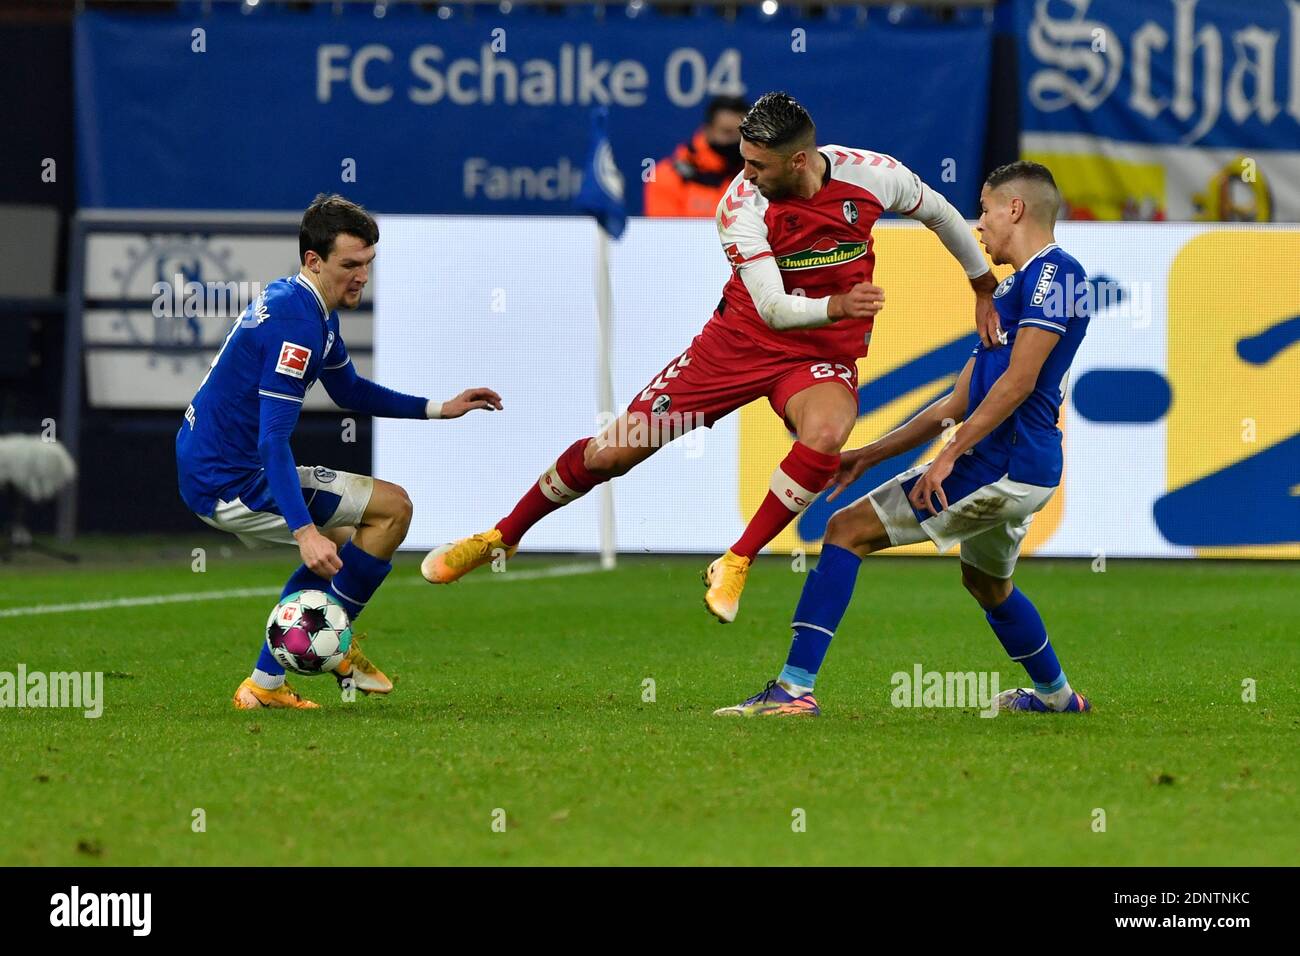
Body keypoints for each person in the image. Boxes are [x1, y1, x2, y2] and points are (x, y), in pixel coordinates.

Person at [423, 92, 997, 626]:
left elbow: (943, 213)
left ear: (799, 161)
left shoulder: (872, 176)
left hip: (818, 357)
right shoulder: (740, 206)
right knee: (612, 453)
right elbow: (772, 308)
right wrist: (839, 303)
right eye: (743, 161)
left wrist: (981, 286)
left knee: (826, 433)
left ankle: (737, 560)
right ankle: (502, 536)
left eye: (758, 165)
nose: (745, 174)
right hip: (735, 347)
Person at [714, 161, 1092, 717]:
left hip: (1001, 462)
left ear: (1016, 209)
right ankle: (1059, 699)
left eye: (985, 211)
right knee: (987, 585)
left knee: (845, 531)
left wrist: (949, 455)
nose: (979, 226)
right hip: (1021, 466)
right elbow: (957, 401)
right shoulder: (1013, 289)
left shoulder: (1057, 275)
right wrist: (867, 455)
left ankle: (794, 691)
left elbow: (1019, 382)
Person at [176, 194, 502, 709]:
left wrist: (441, 407)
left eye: (368, 264)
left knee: (352, 538)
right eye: (350, 264)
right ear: (314, 260)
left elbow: (349, 391)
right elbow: (271, 440)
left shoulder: (306, 306)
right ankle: (326, 645)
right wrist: (304, 531)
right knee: (393, 510)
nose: (361, 277)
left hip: (211, 464)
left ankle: (281, 674)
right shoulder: (297, 326)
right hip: (229, 478)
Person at [644, 95, 750, 218]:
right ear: (708, 130)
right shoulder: (668, 175)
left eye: (742, 134)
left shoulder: (757, 177)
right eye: (727, 132)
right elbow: (664, 233)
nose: (736, 140)